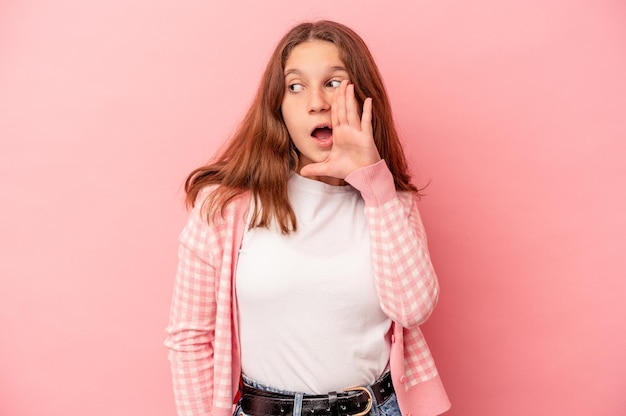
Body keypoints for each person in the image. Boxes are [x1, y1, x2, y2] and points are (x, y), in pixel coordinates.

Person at [165, 20, 450, 416]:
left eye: (333, 83)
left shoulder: (389, 201)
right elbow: (190, 339)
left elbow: (413, 308)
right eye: (295, 87)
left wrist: (376, 185)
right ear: (278, 107)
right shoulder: (225, 206)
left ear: (363, 99)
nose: (316, 101)